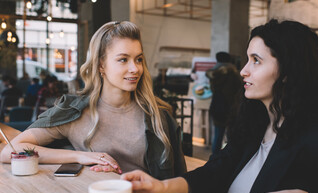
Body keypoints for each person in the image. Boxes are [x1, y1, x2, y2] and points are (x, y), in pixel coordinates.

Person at [121, 19, 318, 193]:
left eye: (256, 61)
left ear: (287, 71)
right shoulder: (256, 123)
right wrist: (160, 187)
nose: (244, 70)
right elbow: (215, 172)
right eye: (247, 59)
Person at [0, 21, 187, 179]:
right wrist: (80, 156)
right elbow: (11, 151)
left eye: (138, 59)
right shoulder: (74, 112)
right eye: (123, 59)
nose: (135, 68)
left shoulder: (158, 115)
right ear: (101, 65)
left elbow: (179, 183)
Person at [206, 52, 241, 154]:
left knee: (218, 135)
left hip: (216, 106)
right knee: (231, 136)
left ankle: (214, 160)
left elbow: (213, 89)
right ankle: (229, 159)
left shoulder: (214, 74)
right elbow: (238, 90)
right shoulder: (233, 73)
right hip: (230, 107)